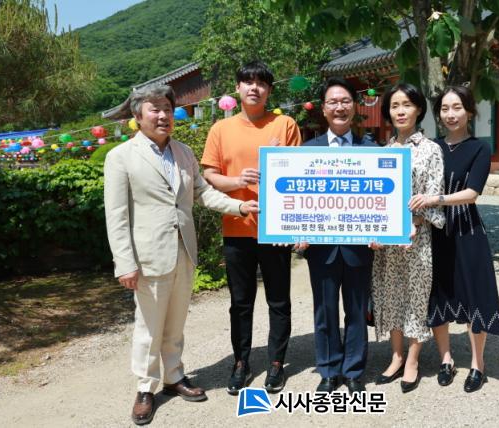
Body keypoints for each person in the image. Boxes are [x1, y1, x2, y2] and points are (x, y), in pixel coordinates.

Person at [104, 85, 259, 425]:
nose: (163, 115)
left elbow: (203, 192)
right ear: (138, 115)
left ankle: (173, 376)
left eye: (166, 108)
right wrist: (124, 263)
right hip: (147, 256)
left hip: (184, 251)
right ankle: (145, 387)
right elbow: (116, 216)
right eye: (154, 109)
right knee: (149, 326)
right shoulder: (121, 156)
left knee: (175, 322)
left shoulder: (183, 152)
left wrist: (239, 206)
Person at [201, 60, 301, 395]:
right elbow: (209, 175)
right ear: (238, 88)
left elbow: (299, 173)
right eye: (248, 81)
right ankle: (241, 362)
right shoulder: (220, 129)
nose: (254, 88)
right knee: (240, 302)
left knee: (278, 300)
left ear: (269, 90)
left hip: (276, 229)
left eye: (261, 83)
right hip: (236, 227)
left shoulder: (285, 124)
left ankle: (276, 363)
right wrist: (237, 181)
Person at [413, 85, 499, 393]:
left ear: (469, 111)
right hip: (436, 231)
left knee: (474, 293)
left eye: (457, 108)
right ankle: (446, 359)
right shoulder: (432, 148)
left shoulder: (480, 148)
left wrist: (435, 199)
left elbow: (472, 193)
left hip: (467, 231)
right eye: (444, 109)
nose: (450, 114)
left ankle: (478, 364)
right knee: (438, 293)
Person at [297, 77, 377, 394]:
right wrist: (297, 233)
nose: (339, 107)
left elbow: (381, 200)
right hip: (321, 249)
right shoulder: (306, 151)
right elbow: (298, 199)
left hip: (359, 248)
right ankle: (329, 370)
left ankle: (354, 370)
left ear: (354, 107)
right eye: (333, 102)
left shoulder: (371, 150)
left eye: (345, 101)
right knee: (325, 312)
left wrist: (383, 231)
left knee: (356, 311)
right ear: (323, 109)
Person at [369, 83, 445, 393]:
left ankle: (412, 360)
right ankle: (396, 356)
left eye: (407, 105)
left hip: (416, 237)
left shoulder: (431, 150)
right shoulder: (382, 153)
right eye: (394, 106)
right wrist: (373, 231)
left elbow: (435, 196)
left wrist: (415, 221)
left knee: (415, 297)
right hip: (387, 242)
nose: (400, 111)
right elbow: (373, 200)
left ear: (418, 109)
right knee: (390, 295)